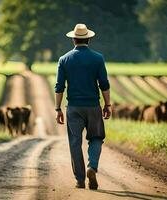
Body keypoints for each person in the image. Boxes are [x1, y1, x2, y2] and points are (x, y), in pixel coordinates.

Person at [54, 24, 111, 190]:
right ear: (89, 39)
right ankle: (91, 167)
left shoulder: (64, 59)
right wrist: (107, 104)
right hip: (93, 106)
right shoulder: (98, 58)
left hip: (73, 107)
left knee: (74, 142)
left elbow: (59, 86)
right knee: (96, 138)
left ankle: (79, 180)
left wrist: (58, 109)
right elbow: (104, 84)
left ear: (73, 39)